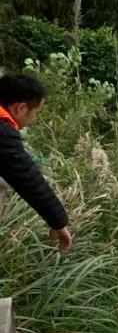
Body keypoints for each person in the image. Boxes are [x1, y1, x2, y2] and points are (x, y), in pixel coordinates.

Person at [0, 73, 73, 252]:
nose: (35, 119)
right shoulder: (2, 132)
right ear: (21, 108)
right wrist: (59, 222)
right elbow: (28, 179)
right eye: (36, 113)